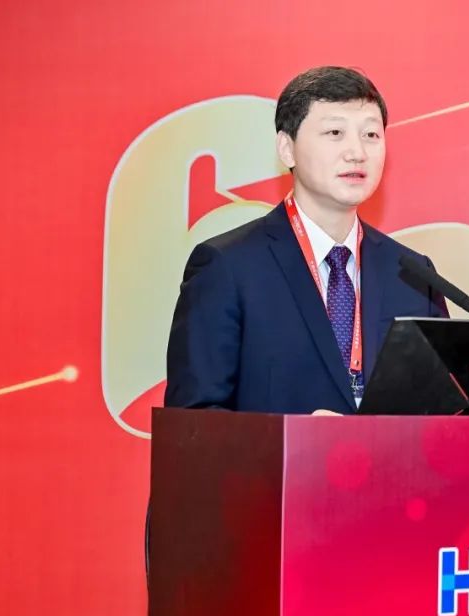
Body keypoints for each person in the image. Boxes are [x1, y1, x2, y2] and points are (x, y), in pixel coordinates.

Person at [165, 66, 449, 415]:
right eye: (335, 132)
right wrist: (300, 438)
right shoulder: (228, 267)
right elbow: (192, 421)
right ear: (287, 149)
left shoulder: (413, 275)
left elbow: (443, 416)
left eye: (371, 135)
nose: (357, 152)